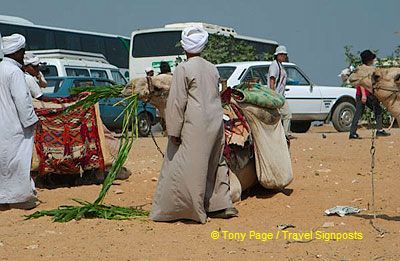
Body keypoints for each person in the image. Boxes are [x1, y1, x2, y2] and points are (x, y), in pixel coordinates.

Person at [150, 26, 237, 224]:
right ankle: (221, 204)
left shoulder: (183, 69)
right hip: (215, 121)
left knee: (186, 166)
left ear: (184, 47)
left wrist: (173, 130)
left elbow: (177, 102)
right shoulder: (212, 68)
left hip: (195, 124)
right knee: (215, 162)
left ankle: (187, 210)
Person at [0, 34, 39, 210]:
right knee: (17, 160)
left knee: (4, 160)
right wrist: (31, 122)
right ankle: (18, 198)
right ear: (16, 52)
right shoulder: (15, 72)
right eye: (22, 51)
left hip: (3, 122)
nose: (23, 54)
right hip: (15, 125)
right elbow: (22, 100)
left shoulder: (1, 68)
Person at [349, 50, 390, 139]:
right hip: (364, 94)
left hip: (364, 94)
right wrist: (364, 95)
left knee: (359, 113)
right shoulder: (364, 69)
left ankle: (352, 133)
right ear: (369, 60)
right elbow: (361, 82)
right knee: (377, 110)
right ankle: (379, 130)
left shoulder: (362, 68)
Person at [268, 45, 294, 139]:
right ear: (277, 55)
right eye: (282, 55)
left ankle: (283, 134)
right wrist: (273, 95)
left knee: (282, 115)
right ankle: (285, 134)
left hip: (280, 96)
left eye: (285, 55)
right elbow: (272, 80)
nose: (284, 56)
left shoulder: (280, 65)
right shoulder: (274, 65)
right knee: (287, 114)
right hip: (277, 96)